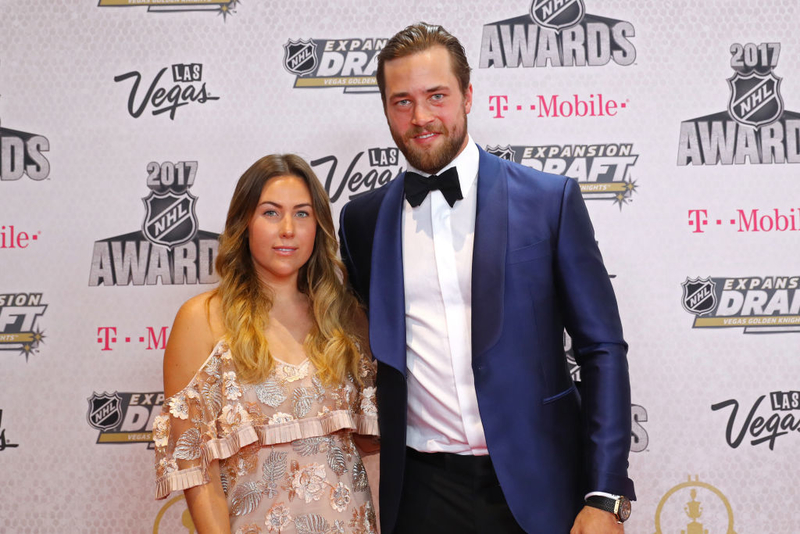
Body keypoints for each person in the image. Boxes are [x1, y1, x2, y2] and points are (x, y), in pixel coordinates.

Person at [338, 23, 635, 534]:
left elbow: (601, 349)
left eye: (437, 96)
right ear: (386, 109)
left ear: (468, 96)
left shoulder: (549, 201)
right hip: (420, 494)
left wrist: (605, 494)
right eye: (401, 102)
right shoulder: (361, 221)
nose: (421, 117)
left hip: (541, 485)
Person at [154, 154, 379, 534]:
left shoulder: (347, 318)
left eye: (303, 214)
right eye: (271, 213)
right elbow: (196, 472)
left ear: (319, 226)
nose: (288, 229)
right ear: (244, 223)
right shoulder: (202, 320)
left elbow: (372, 454)